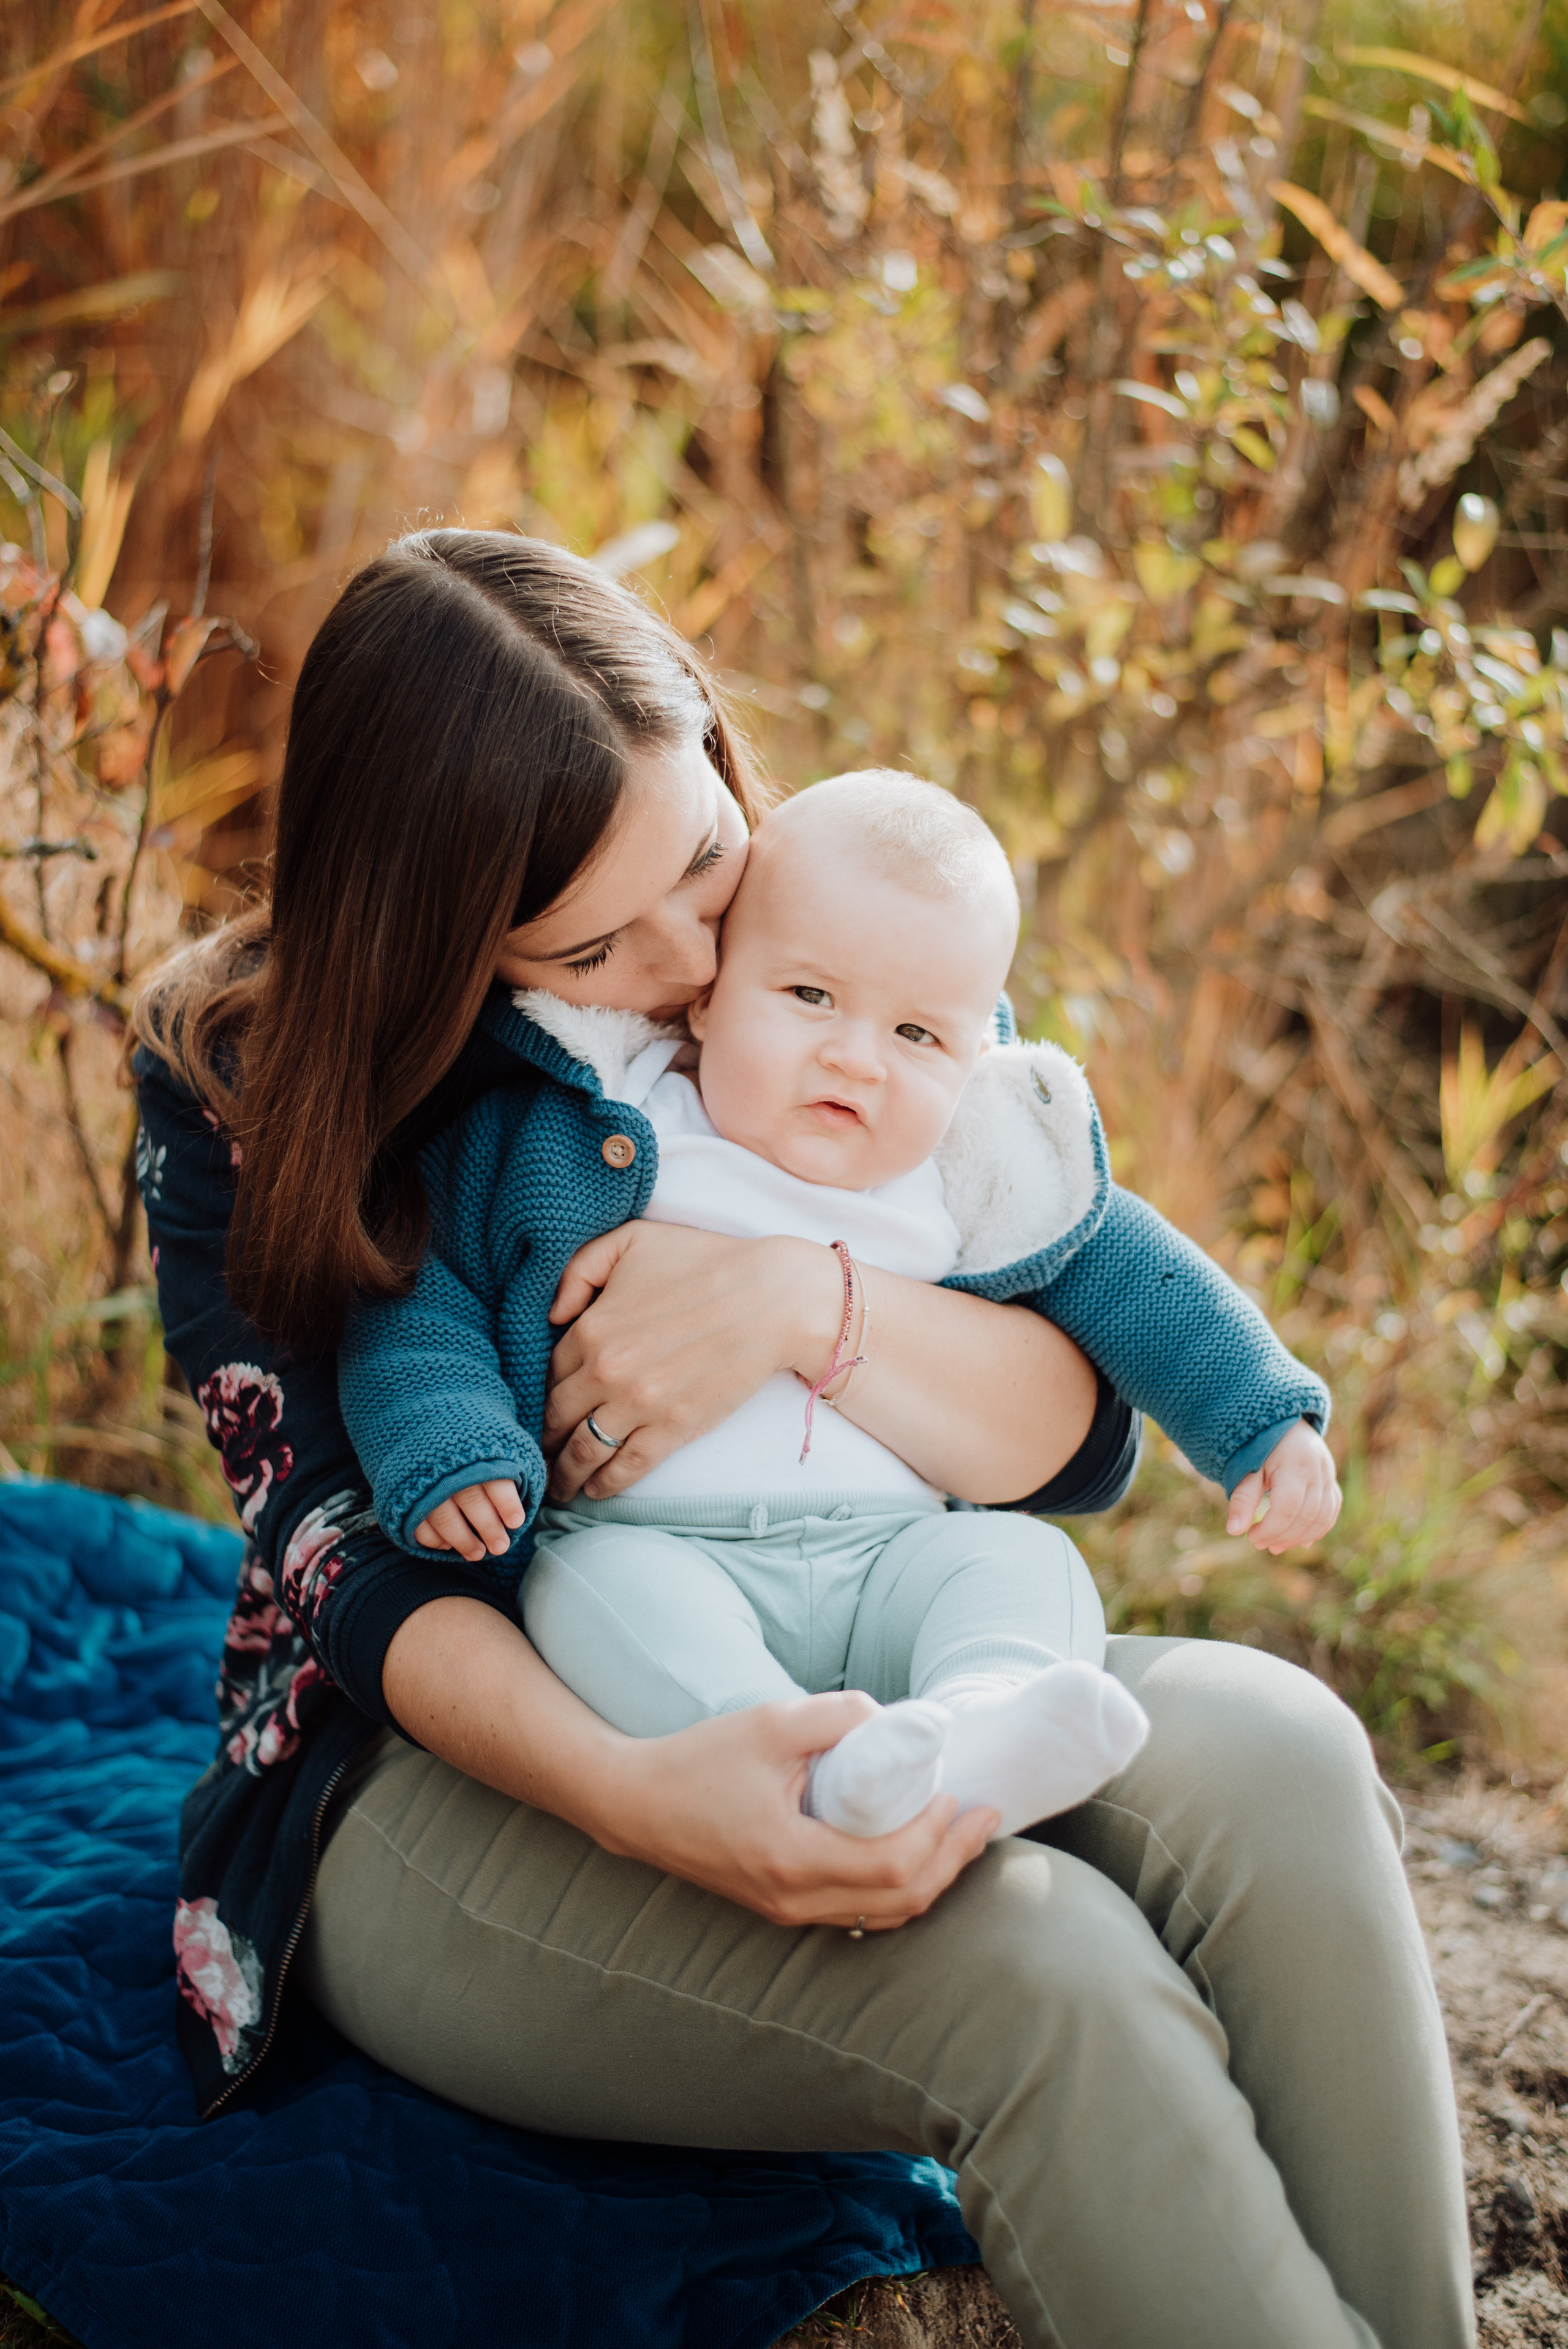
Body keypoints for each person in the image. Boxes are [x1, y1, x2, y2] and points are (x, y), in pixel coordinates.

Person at [132, 528, 1474, 2349]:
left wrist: (796, 1301)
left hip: (862, 1616)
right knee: (1039, 1967)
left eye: (702, 858)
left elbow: (1059, 1415)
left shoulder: (829, 935)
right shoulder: (240, 1075)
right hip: (454, 1770)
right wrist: (645, 1792)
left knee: (1295, 1751)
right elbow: (342, 1567)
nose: (699, 959)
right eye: (605, 942)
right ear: (459, 947)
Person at [338, 769, 1338, 1847]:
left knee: (1021, 1566)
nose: (856, 1059)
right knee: (599, 1601)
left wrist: (1262, 1418)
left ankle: (980, 1722)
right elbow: (419, 1287)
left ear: (976, 1056)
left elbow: (1137, 1277)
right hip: (655, 1542)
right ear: (710, 993)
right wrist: (453, 1444)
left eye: (919, 1036)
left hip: (892, 1556)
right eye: (810, 996)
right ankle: (799, 1764)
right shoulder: (592, 1124)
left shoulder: (969, 1171)